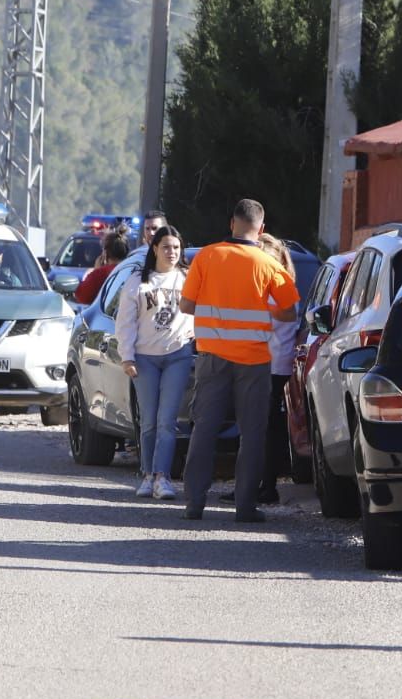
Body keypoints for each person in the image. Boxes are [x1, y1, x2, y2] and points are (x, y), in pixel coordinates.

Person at [178, 199, 299, 522]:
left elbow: (186, 305)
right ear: (261, 230)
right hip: (254, 360)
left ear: (232, 223)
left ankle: (194, 503)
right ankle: (245, 506)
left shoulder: (207, 256)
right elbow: (289, 312)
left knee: (204, 428)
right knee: (253, 433)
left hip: (212, 356)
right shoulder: (269, 264)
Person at [117, 224, 194, 501]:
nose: (172, 252)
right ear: (155, 249)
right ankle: (147, 475)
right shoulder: (139, 281)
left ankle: (163, 477)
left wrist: (194, 331)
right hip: (144, 358)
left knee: (167, 421)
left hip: (177, 355)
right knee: (148, 421)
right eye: (166, 247)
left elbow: (201, 309)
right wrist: (127, 357)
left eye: (176, 247)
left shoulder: (187, 278)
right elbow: (124, 322)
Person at [255, 233, 300, 505]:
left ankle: (267, 485)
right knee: (257, 428)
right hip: (261, 363)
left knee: (266, 429)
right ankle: (258, 483)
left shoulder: (281, 286)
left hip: (274, 366)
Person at [74, 232, 130, 306]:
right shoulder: (133, 270)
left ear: (105, 253)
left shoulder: (100, 274)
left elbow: (81, 296)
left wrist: (96, 271)